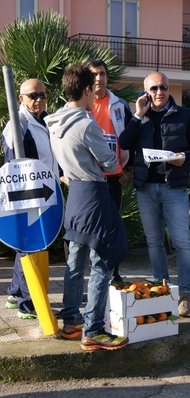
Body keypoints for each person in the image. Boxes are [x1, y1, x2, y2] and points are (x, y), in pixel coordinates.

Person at [45, 63, 129, 351]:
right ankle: (93, 330)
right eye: (92, 86)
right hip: (93, 192)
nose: (96, 90)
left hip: (75, 195)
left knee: (75, 261)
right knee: (103, 259)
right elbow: (110, 161)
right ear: (84, 90)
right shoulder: (86, 123)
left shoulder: (54, 123)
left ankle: (70, 320)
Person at [118, 71, 190, 317]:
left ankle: (185, 294)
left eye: (163, 87)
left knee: (181, 243)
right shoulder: (140, 117)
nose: (159, 92)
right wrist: (137, 115)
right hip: (146, 187)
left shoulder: (185, 115)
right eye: (154, 88)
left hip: (174, 188)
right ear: (146, 92)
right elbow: (124, 143)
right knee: (154, 242)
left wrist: (184, 157)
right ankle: (162, 289)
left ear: (169, 90)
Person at [2, 78, 62, 319]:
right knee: (32, 243)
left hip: (44, 192)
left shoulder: (44, 120)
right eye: (32, 95)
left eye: (42, 95)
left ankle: (16, 292)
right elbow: (13, 167)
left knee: (26, 244)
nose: (38, 99)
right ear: (21, 99)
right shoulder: (17, 127)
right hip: (28, 197)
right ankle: (28, 302)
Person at [85, 58, 133, 281]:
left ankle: (114, 275)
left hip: (114, 178)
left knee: (113, 227)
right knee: (91, 231)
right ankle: (94, 278)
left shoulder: (119, 105)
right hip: (90, 180)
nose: (99, 78)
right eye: (94, 74)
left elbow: (132, 137)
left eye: (102, 73)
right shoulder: (79, 105)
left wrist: (128, 167)